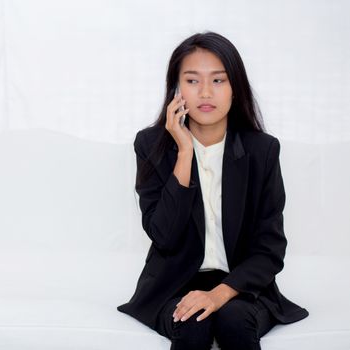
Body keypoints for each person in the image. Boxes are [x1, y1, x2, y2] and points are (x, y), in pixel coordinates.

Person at [116, 31, 309, 350]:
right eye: (192, 81)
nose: (206, 92)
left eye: (218, 80)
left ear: (236, 88)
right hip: (172, 284)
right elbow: (163, 235)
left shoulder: (261, 150)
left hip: (243, 286)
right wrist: (184, 153)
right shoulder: (151, 146)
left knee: (234, 320)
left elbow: (270, 248)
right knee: (191, 324)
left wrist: (220, 294)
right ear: (176, 90)